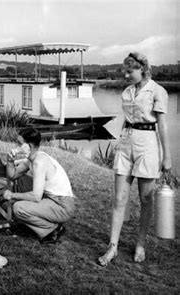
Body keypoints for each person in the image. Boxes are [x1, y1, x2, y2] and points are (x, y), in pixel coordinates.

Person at [98, 52, 171, 266]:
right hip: (126, 142)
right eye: (125, 71)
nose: (126, 75)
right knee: (120, 198)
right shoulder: (127, 92)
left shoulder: (158, 91)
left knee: (146, 199)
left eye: (130, 71)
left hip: (148, 144)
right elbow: (126, 121)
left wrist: (167, 156)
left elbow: (163, 125)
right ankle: (113, 247)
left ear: (142, 69)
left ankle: (140, 243)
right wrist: (120, 143)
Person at [3, 128, 75, 244]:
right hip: (51, 199)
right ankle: (49, 224)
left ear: (29, 146)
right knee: (22, 180)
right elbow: (13, 175)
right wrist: (10, 161)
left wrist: (12, 195)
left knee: (18, 208)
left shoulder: (39, 162)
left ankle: (51, 229)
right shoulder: (31, 159)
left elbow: (36, 196)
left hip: (62, 205)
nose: (16, 146)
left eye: (20, 144)